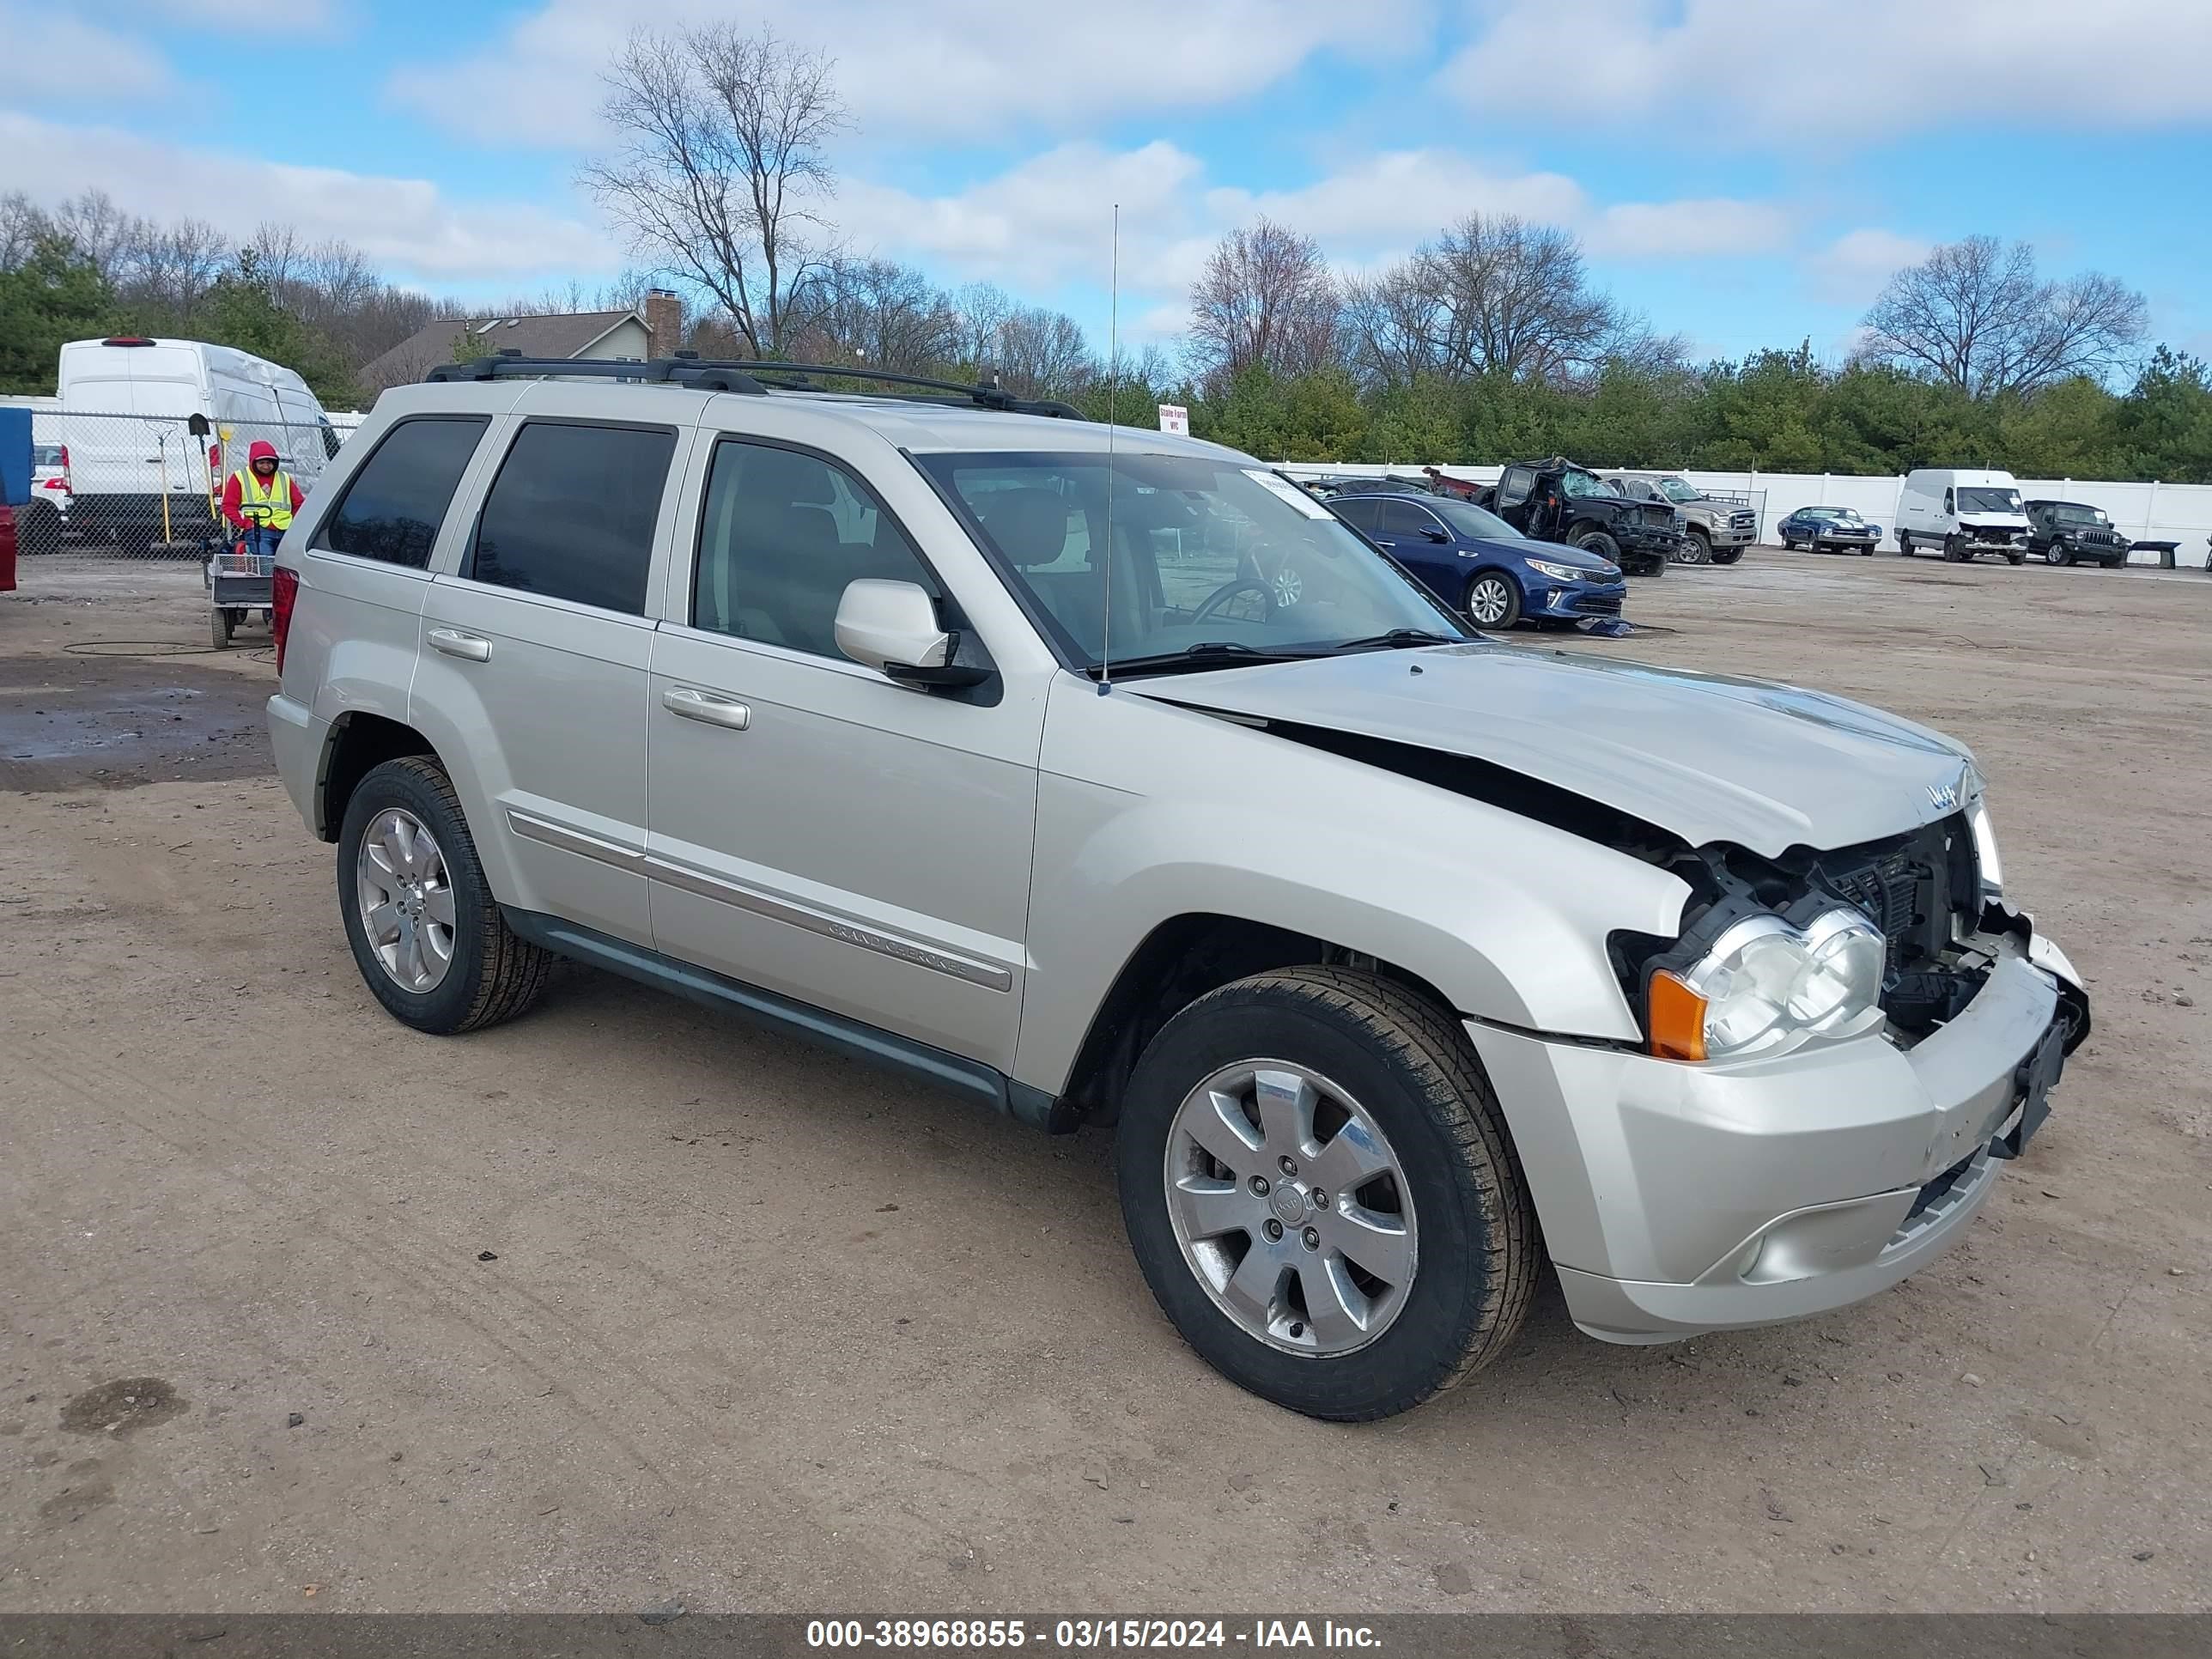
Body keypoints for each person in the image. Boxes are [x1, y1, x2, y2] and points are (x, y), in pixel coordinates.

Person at [221, 441, 303, 560]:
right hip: (258, 530)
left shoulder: (284, 478)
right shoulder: (240, 477)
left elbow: (299, 504)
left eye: (269, 462)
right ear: (253, 462)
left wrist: (294, 524)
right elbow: (228, 505)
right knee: (266, 567)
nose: (266, 466)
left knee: (286, 566)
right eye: (262, 462)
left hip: (285, 529)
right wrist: (246, 524)